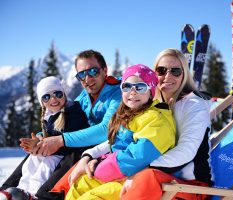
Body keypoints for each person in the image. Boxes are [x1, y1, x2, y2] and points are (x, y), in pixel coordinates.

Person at [0, 50, 122, 199]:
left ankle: (41, 196)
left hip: (106, 148)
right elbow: (65, 113)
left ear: (104, 70)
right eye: (81, 74)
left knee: (70, 151)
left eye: (93, 71)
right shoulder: (85, 95)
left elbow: (106, 129)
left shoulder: (118, 93)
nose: (87, 78)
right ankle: (6, 191)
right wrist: (41, 139)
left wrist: (60, 140)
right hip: (84, 146)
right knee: (41, 148)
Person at [65, 64, 176, 200]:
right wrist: (98, 159)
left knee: (90, 197)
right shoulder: (129, 115)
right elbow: (116, 144)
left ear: (151, 92)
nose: (133, 92)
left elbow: (139, 155)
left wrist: (104, 166)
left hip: (131, 178)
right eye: (127, 87)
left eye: (140, 87)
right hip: (114, 173)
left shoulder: (156, 119)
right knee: (79, 186)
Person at [120, 48, 213, 200]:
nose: (167, 76)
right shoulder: (152, 103)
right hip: (160, 176)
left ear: (184, 74)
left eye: (175, 71)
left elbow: (186, 151)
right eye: (161, 70)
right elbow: (125, 134)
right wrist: (91, 155)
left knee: (144, 178)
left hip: (190, 185)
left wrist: (141, 166)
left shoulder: (194, 105)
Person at [0, 76, 90, 199]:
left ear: (64, 93)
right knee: (30, 164)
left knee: (44, 170)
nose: (53, 99)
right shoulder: (50, 115)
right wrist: (38, 140)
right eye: (46, 97)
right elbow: (50, 132)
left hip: (64, 153)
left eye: (57, 94)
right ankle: (20, 189)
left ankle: (31, 194)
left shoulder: (73, 112)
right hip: (51, 150)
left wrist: (42, 145)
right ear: (42, 102)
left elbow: (73, 134)